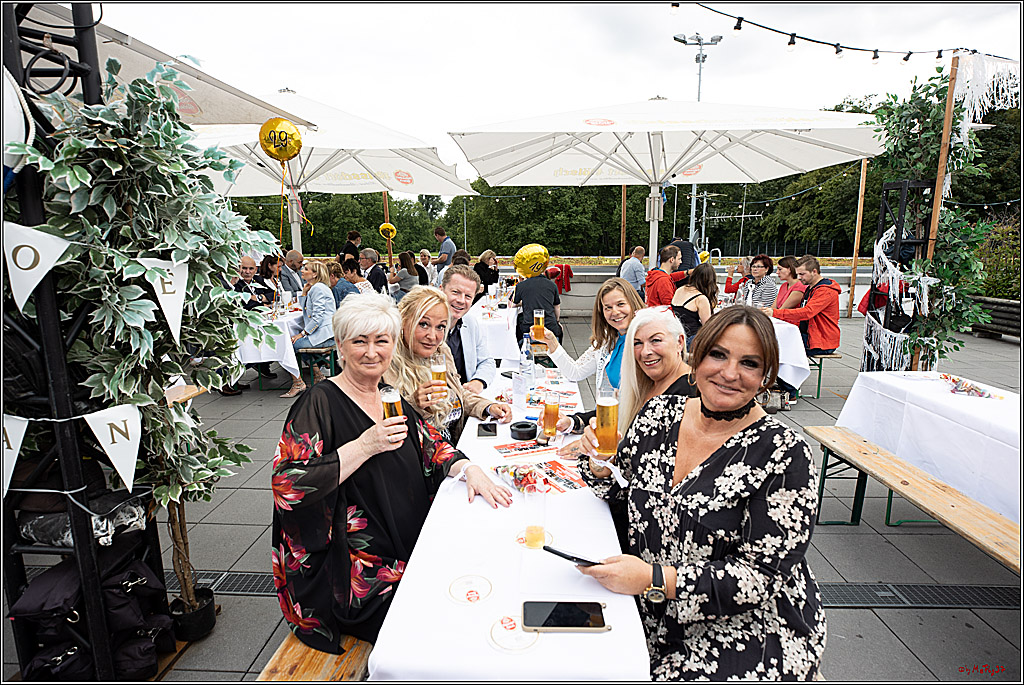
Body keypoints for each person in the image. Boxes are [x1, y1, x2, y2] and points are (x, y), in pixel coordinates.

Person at [574, 306, 826, 680]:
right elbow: (617, 485)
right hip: (650, 604)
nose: (729, 373)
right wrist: (598, 463)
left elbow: (760, 577)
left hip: (744, 626)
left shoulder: (783, 452)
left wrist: (653, 578)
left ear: (766, 376)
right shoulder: (661, 412)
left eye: (750, 363)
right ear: (698, 356)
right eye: (718, 354)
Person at [272, 292, 512, 652]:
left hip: (411, 543)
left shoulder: (388, 394)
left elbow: (432, 444)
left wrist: (469, 467)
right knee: (446, 626)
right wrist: (366, 445)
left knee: (487, 576)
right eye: (360, 341)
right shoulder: (320, 401)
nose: (372, 352)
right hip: (361, 569)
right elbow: (286, 484)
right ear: (340, 346)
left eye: (381, 340)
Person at [384, 286, 512, 444]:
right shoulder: (385, 362)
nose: (433, 336)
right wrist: (413, 404)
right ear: (403, 320)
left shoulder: (441, 351)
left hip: (452, 450)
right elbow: (384, 428)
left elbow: (457, 394)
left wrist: (488, 407)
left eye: (440, 327)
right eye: (423, 324)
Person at [534, 278, 643, 390]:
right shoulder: (607, 340)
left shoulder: (648, 340)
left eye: (620, 304)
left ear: (633, 303)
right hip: (607, 407)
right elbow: (575, 372)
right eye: (608, 308)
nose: (615, 312)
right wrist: (552, 342)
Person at [764, 254, 841, 404]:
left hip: (821, 341)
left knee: (782, 348)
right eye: (798, 273)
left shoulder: (825, 290)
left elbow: (807, 312)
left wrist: (776, 313)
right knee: (776, 345)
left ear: (814, 272)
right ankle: (786, 385)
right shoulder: (812, 287)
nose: (799, 277)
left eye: (802, 274)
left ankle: (790, 391)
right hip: (812, 336)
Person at [281, 261, 338, 398]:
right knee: (296, 342)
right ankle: (317, 375)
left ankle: (298, 382)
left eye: (306, 269)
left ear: (315, 274)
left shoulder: (318, 288)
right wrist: (304, 293)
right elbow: (306, 309)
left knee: (288, 345)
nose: (302, 270)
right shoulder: (318, 287)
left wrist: (302, 334)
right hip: (326, 334)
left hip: (324, 335)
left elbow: (317, 317)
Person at [440, 265, 496, 394]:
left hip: (466, 399)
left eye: (468, 296)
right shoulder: (424, 328)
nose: (461, 300)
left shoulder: (470, 322)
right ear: (441, 290)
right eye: (455, 292)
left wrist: (479, 381)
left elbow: (487, 361)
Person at [670, 262, 717, 350]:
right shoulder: (700, 298)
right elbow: (707, 326)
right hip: (691, 339)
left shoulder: (680, 289)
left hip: (676, 336)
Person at [512, 264, 563, 343]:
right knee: (560, 330)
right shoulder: (552, 285)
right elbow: (557, 306)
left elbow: (513, 304)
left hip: (529, 328)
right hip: (550, 327)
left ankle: (520, 348)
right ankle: (557, 349)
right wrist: (557, 321)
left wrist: (525, 302)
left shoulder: (521, 285)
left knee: (517, 325)